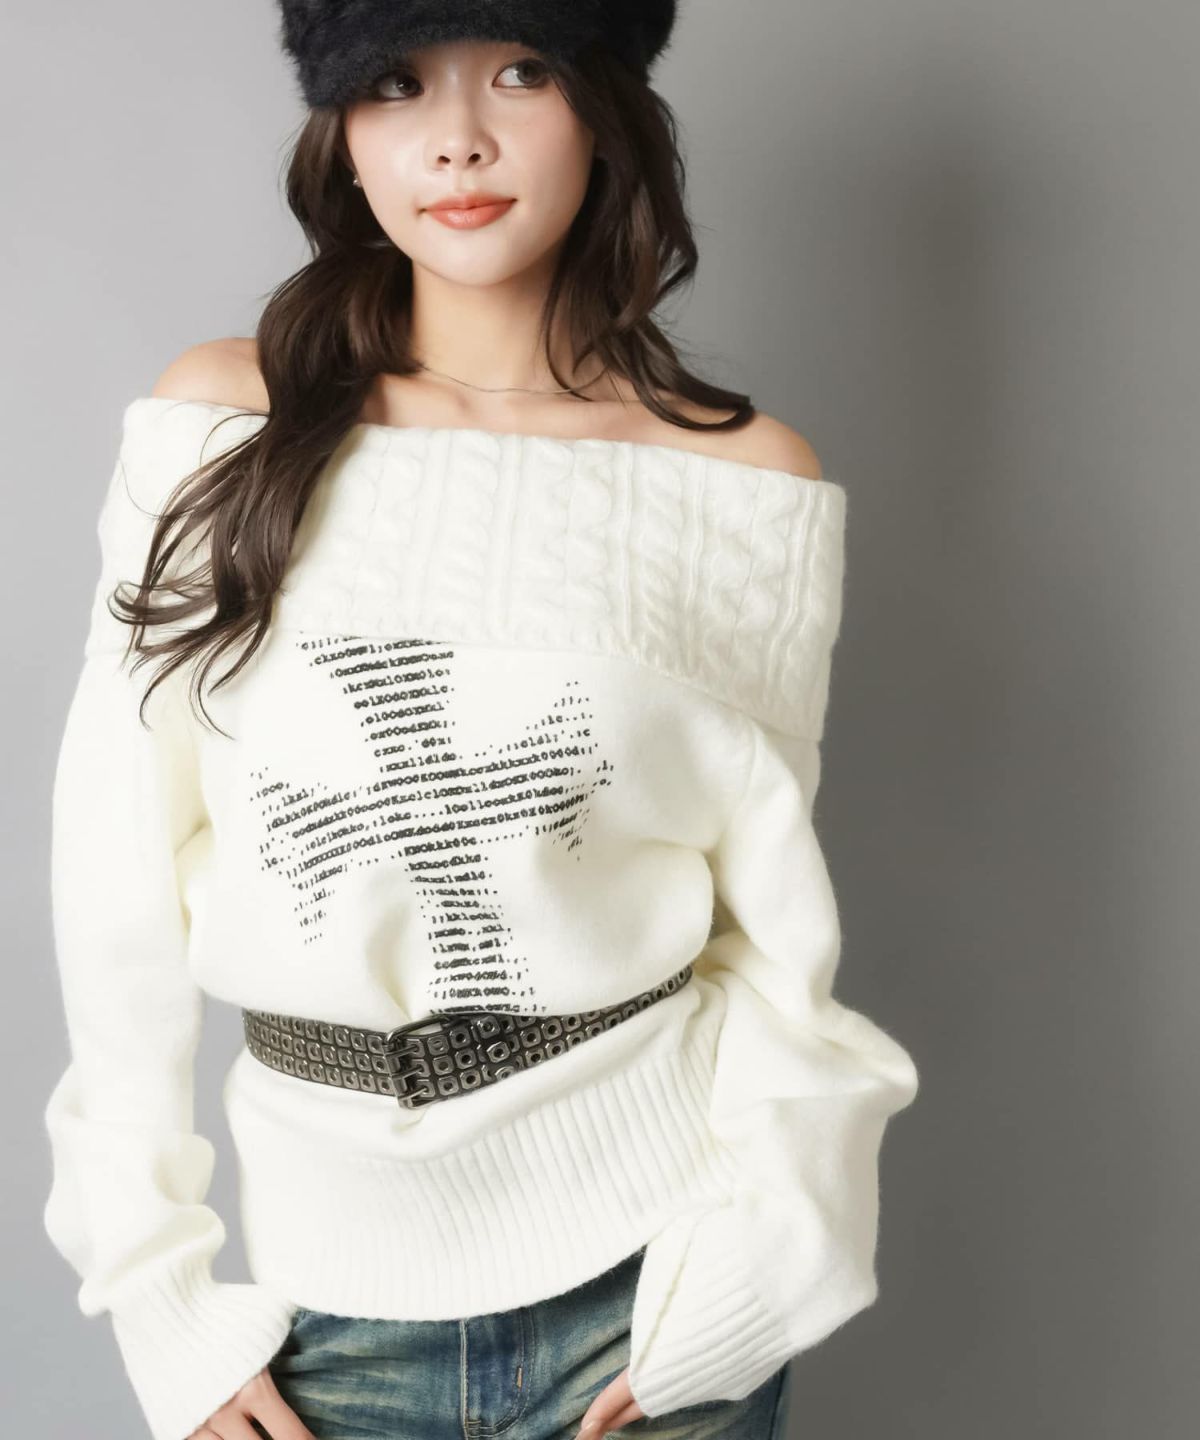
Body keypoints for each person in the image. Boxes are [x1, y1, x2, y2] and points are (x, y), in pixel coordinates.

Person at [41, 4, 921, 1439]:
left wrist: (768, 1259)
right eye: (397, 83)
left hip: (658, 1282)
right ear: (343, 132)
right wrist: (156, 1291)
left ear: (601, 105)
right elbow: (111, 874)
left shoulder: (740, 480)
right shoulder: (222, 425)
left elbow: (774, 936)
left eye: (520, 70)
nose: (457, 138)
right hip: (325, 1311)